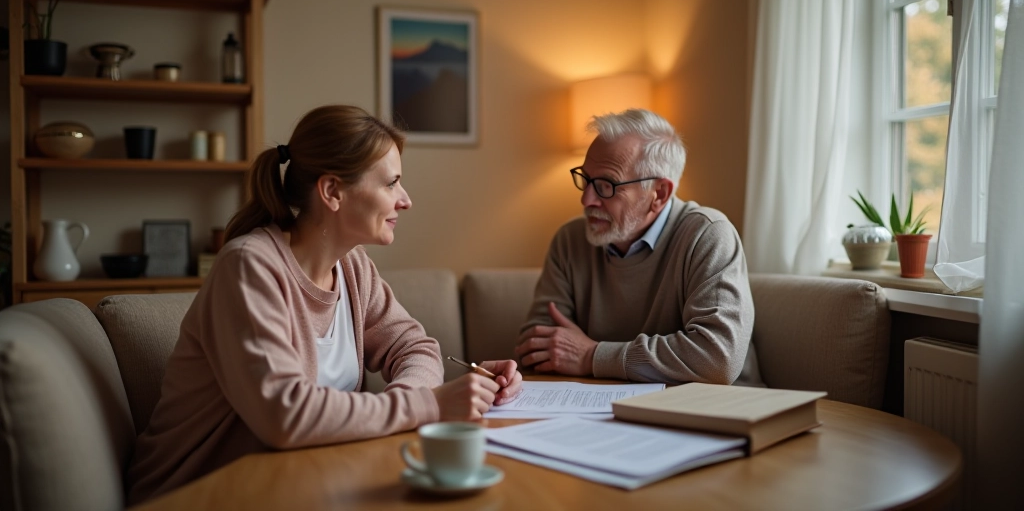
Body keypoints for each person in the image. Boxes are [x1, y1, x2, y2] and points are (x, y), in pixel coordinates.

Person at [128, 105, 521, 504]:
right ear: (332, 191)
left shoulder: (352, 267)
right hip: (198, 495)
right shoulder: (249, 267)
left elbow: (416, 347)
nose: (405, 200)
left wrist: (412, 405)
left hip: (302, 482)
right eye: (391, 184)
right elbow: (285, 415)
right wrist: (426, 404)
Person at [514, 108, 762, 386]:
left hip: (717, 411)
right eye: (585, 179)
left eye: (606, 185)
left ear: (659, 194)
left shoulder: (708, 235)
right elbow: (535, 348)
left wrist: (592, 356)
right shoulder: (570, 241)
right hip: (607, 410)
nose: (586, 200)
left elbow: (718, 359)